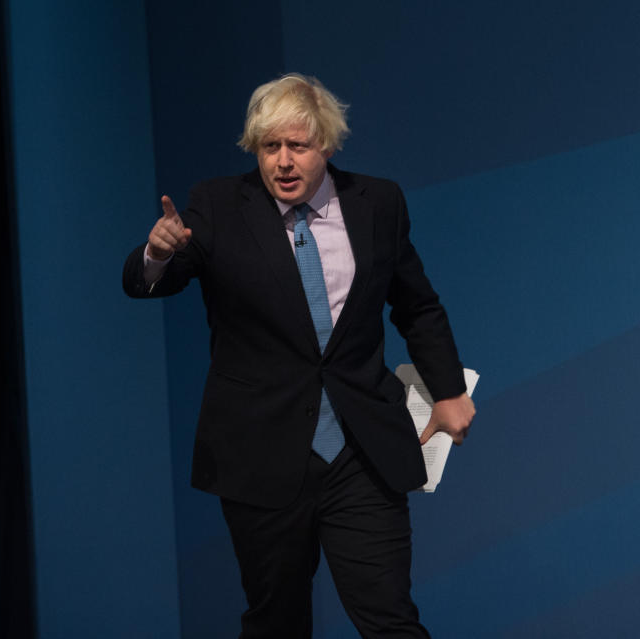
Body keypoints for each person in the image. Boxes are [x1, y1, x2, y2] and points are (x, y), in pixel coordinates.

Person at [122, 73, 475, 638]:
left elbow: (417, 305)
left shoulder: (377, 202)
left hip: (362, 453)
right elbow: (151, 283)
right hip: (260, 454)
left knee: (391, 621)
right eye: (270, 147)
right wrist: (157, 254)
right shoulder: (216, 205)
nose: (283, 162)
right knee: (275, 624)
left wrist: (450, 389)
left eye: (298, 146)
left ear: (326, 147)